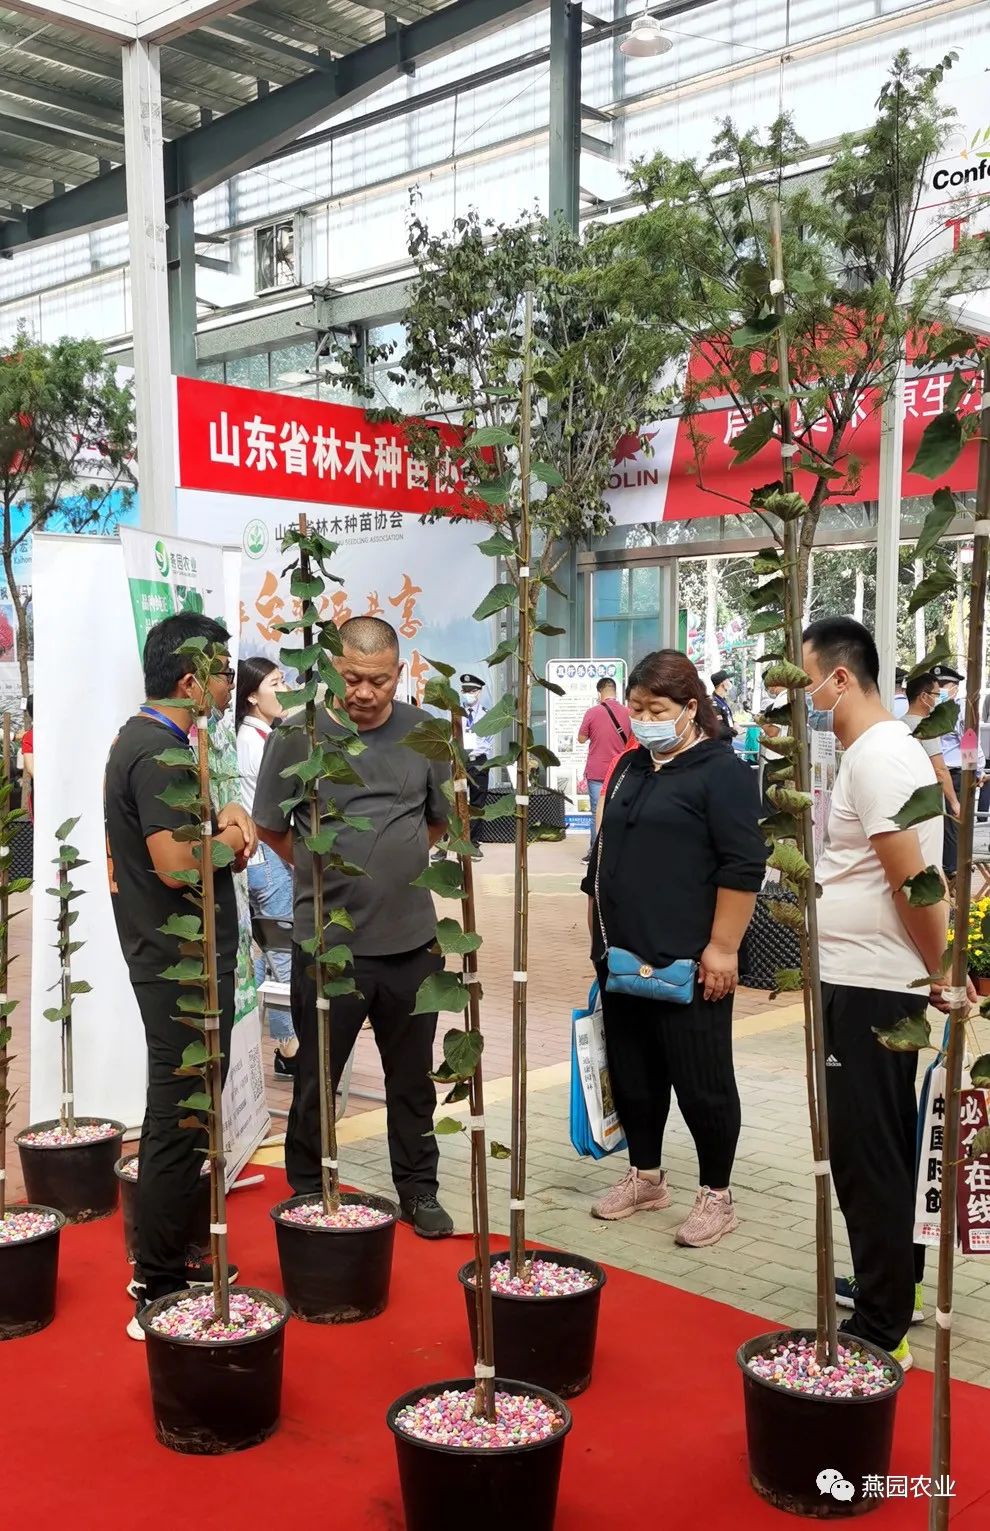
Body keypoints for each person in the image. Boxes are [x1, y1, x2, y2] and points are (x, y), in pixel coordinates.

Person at [253, 615, 454, 1238]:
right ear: (332, 670)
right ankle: (309, 1189)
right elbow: (270, 827)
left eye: (379, 681)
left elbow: (438, 821)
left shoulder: (426, 733)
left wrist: (393, 865)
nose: (364, 693)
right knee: (317, 1076)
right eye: (352, 678)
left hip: (412, 945)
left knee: (412, 1081)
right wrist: (327, 873)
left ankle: (418, 1190)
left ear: (400, 673)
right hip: (329, 945)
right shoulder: (299, 735)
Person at [804, 617, 952, 1370]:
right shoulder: (875, 752)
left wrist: (944, 971)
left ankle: (883, 1320)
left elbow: (913, 882)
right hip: (862, 979)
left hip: (871, 986)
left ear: (840, 678)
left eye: (805, 683)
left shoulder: (881, 755)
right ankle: (891, 1285)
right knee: (880, 1145)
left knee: (867, 1154)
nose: (800, 700)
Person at [581, 649, 766, 1248]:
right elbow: (603, 856)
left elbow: (743, 867)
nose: (642, 719)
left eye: (655, 709)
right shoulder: (631, 767)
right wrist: (599, 939)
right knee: (634, 1073)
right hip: (622, 956)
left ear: (690, 708)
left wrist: (723, 948)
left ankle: (717, 1194)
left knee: (701, 1080)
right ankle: (645, 1176)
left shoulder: (723, 773)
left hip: (691, 960)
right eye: (635, 707)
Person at [104, 614, 256, 1338]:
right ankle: (156, 1281)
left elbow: (190, 840)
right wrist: (228, 837)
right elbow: (173, 865)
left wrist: (225, 819)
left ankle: (176, 1256)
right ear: (191, 680)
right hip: (175, 964)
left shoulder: (162, 744)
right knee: (176, 1114)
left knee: (189, 1110)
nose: (231, 686)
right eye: (223, 673)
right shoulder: (155, 750)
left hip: (185, 961)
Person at [236, 656, 299, 1077]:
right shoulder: (255, 741)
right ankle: (291, 1047)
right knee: (283, 951)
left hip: (265, 858)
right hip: (268, 858)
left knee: (269, 948)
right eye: (276, 683)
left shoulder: (259, 735)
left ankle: (284, 1044)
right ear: (252, 697)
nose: (285, 689)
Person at [934, 661, 985, 883]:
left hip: (955, 773)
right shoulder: (934, 709)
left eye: (943, 686)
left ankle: (952, 870)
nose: (939, 690)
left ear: (954, 688)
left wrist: (976, 771)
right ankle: (946, 868)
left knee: (952, 824)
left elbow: (968, 743)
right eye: (937, 685)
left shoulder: (959, 711)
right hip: (937, 772)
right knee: (943, 823)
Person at [577, 676, 631, 861]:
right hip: (621, 769)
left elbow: (581, 739)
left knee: (596, 812)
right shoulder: (628, 712)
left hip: (597, 770)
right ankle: (617, 851)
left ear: (599, 692)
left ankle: (595, 853)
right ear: (615, 691)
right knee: (619, 810)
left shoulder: (592, 712)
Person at [903, 672, 960, 821]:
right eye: (937, 694)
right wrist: (954, 803)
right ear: (924, 697)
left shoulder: (898, 723)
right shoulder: (927, 727)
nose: (939, 699)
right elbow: (939, 769)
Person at [459, 673, 492, 855]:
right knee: (456, 801)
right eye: (464, 690)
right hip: (460, 762)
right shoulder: (456, 713)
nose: (468, 694)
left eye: (471, 690)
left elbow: (486, 742)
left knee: (477, 803)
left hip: (478, 762)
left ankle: (473, 842)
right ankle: (451, 842)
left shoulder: (486, 715)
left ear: (479, 692)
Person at [710, 670, 737, 742]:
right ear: (723, 683)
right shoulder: (713, 703)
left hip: (726, 742)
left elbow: (726, 719)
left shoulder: (722, 700)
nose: (730, 682)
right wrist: (735, 731)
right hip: (719, 745)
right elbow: (719, 729)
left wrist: (734, 723)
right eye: (728, 680)